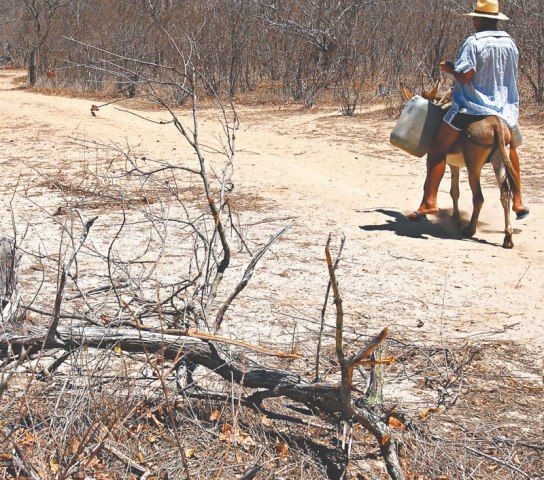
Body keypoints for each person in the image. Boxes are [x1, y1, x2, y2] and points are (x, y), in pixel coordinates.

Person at [408, 0, 529, 221]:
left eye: (475, 17)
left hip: (471, 108)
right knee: (511, 146)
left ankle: (429, 202)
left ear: (482, 19)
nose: (473, 21)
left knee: (437, 148)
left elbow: (466, 76)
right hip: (505, 109)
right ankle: (518, 200)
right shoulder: (510, 43)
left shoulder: (473, 42)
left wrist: (450, 69)